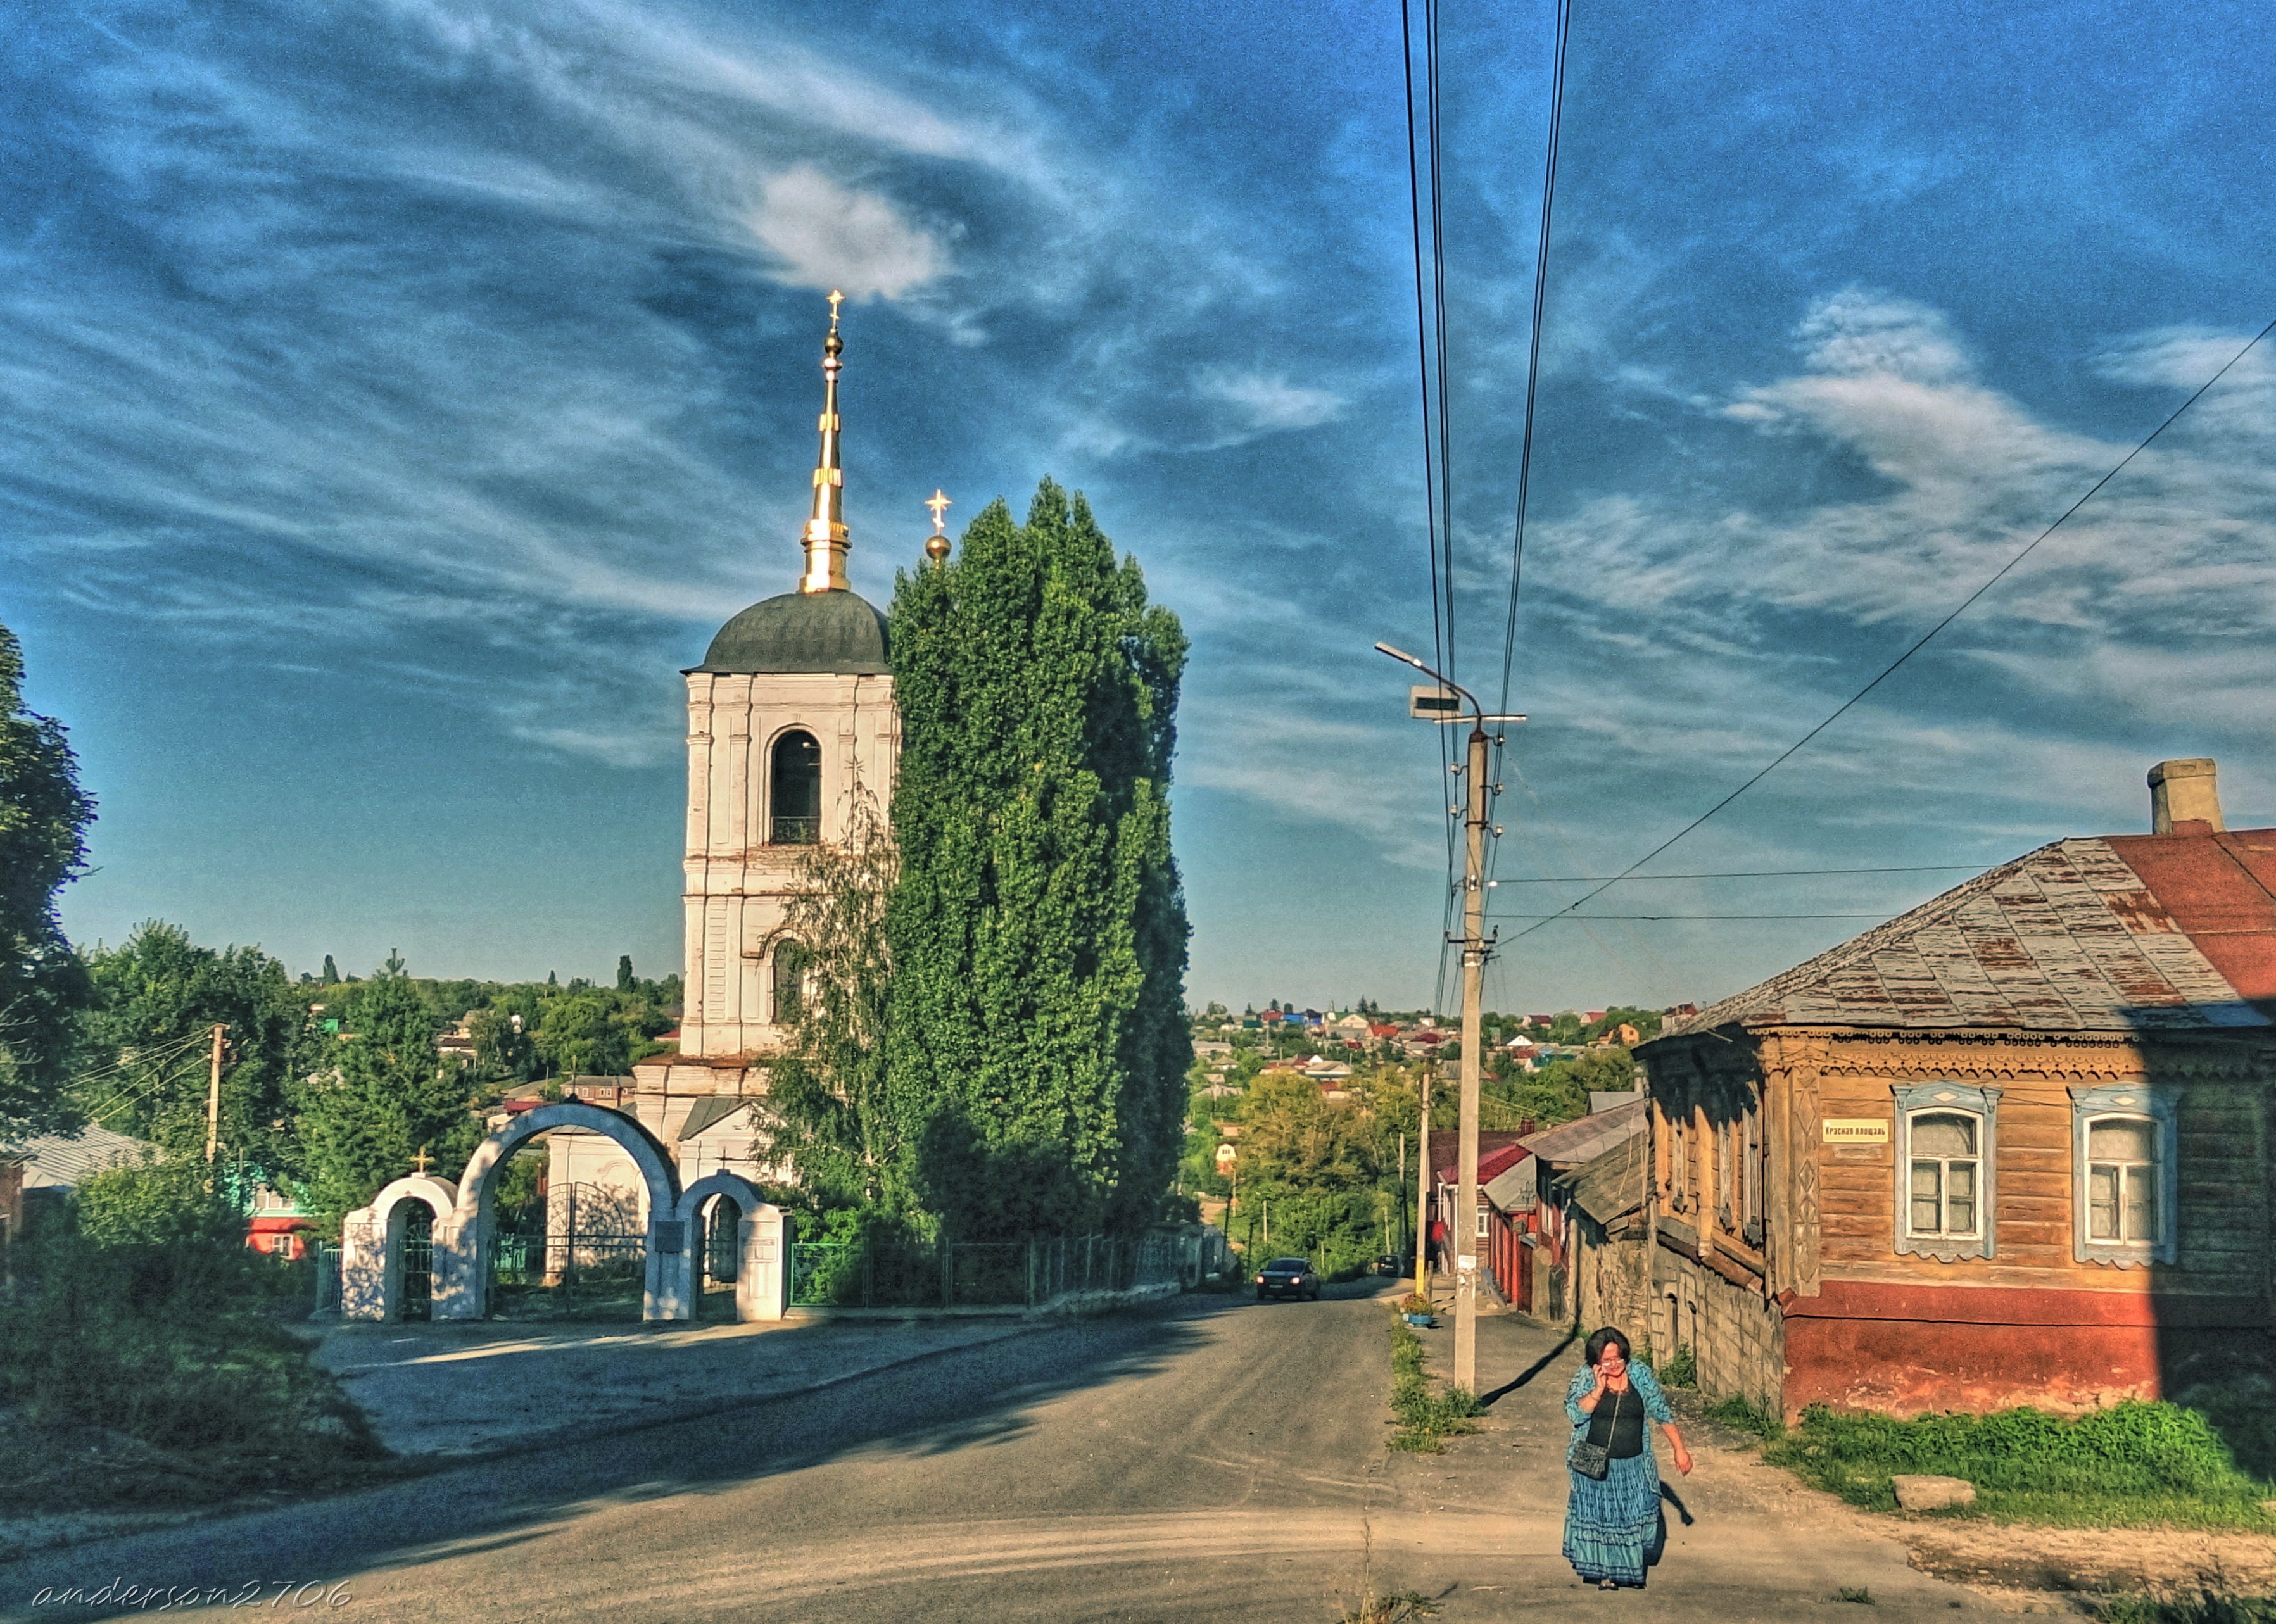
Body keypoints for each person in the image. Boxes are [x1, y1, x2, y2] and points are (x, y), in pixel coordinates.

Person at [1563, 1326, 1693, 1590]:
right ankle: (1606, 1574)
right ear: (1596, 1361)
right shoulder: (1586, 1378)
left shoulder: (1640, 1374)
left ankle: (1624, 1568)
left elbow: (1662, 1413)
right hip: (1594, 1464)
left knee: (1634, 1518)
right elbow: (1576, 1415)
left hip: (1633, 1464)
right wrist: (1598, 1390)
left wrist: (1680, 1449)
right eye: (1606, 1360)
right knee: (1600, 1520)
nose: (1614, 1365)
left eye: (1618, 1358)